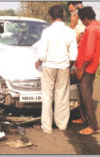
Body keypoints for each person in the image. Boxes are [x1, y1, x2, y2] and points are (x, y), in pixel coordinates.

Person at [35, 5, 78, 134]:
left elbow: (42, 51)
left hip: (49, 65)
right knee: (62, 95)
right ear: (62, 16)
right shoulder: (70, 31)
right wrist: (68, 65)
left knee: (47, 95)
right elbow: (74, 53)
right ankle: (62, 124)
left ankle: (47, 127)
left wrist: (39, 61)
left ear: (50, 17)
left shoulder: (47, 31)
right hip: (64, 65)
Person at [72, 7, 100, 135]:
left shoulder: (91, 29)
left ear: (85, 19)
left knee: (86, 96)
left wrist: (81, 70)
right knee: (83, 93)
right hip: (91, 66)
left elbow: (89, 54)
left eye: (82, 20)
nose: (82, 22)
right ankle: (84, 118)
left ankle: (92, 126)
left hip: (87, 68)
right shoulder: (97, 27)